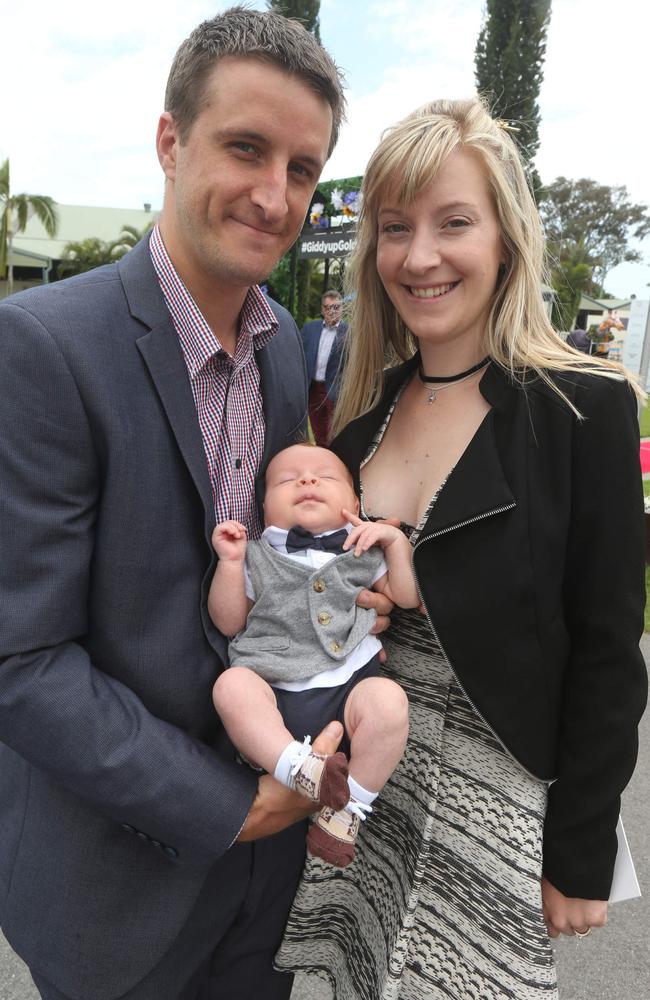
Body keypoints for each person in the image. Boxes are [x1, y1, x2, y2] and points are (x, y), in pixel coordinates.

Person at [0, 9, 393, 1000]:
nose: (273, 196)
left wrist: (335, 603)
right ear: (171, 141)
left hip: (262, 884)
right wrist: (231, 803)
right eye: (246, 148)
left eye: (301, 169)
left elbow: (258, 572)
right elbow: (21, 660)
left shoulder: (272, 351)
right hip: (119, 887)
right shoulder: (41, 348)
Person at [275, 98, 647, 999]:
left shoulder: (581, 408)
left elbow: (609, 646)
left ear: (506, 239)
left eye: (454, 223)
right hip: (374, 786)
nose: (420, 256)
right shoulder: (357, 426)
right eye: (395, 229)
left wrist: (583, 845)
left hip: (500, 801)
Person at [209, 443, 416, 867]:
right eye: (287, 479)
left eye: (325, 476)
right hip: (276, 691)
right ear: (264, 507)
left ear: (354, 504)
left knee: (390, 703)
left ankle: (347, 810)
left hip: (349, 687)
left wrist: (395, 542)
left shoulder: (362, 549)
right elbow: (230, 623)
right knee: (231, 686)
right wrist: (230, 564)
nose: (306, 480)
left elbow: (407, 596)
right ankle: (295, 768)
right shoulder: (256, 556)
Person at [301, 290, 348, 444]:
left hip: (335, 390)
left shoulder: (350, 333)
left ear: (341, 309)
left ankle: (336, 462)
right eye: (328, 308)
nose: (332, 311)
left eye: (336, 307)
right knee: (318, 431)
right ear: (322, 310)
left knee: (335, 434)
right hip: (313, 388)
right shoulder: (310, 329)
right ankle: (323, 458)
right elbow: (299, 354)